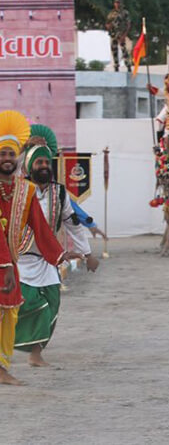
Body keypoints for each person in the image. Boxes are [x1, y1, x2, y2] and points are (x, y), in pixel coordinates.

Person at [14, 125, 100, 367]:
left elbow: (73, 225)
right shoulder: (19, 191)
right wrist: (25, 147)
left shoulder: (59, 193)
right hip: (21, 259)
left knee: (51, 306)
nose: (43, 166)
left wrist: (87, 254)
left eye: (46, 162)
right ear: (29, 166)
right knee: (29, 305)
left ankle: (36, 354)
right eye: (38, 163)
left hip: (49, 261)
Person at [0, 111, 69, 385]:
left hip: (11, 264)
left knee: (9, 314)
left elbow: (40, 227)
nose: (6, 158)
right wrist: (5, 264)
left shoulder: (24, 190)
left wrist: (59, 255)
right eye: (2, 153)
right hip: (7, 263)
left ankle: (2, 368)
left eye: (10, 154)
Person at [105, 0, 131, 72]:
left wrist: (124, 35)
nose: (117, 4)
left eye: (119, 2)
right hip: (113, 34)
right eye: (116, 3)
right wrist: (108, 26)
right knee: (114, 50)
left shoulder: (125, 12)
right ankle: (116, 66)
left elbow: (128, 24)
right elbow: (107, 23)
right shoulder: (111, 13)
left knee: (124, 50)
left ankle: (128, 65)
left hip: (121, 33)